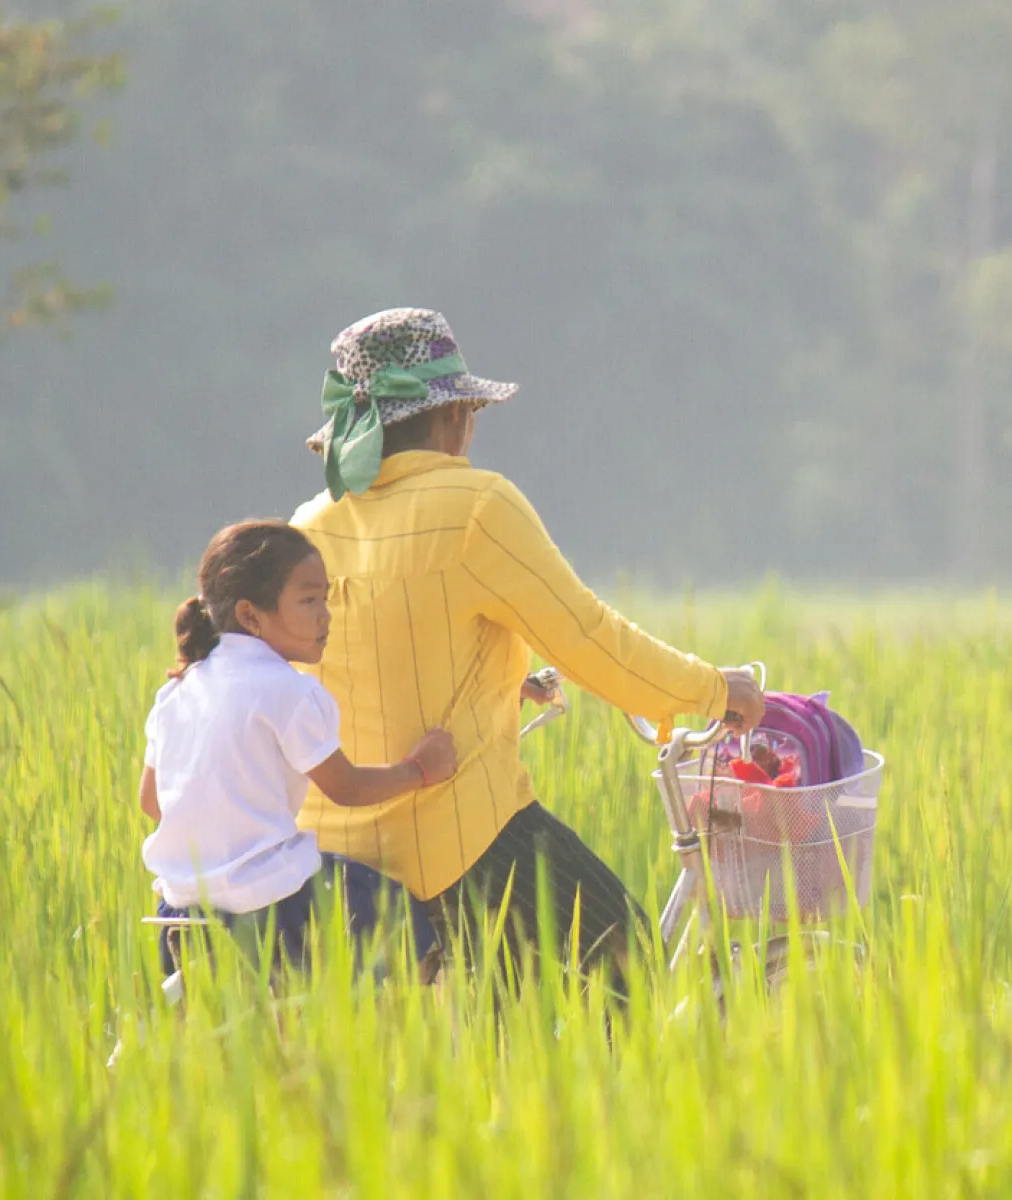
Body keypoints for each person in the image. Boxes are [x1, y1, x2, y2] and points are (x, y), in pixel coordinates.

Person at [288, 308, 763, 986]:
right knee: (629, 966)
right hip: (457, 841)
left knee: (501, 1011)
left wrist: (506, 685)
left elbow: (364, 663)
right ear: (454, 417)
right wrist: (715, 689)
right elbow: (590, 639)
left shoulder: (310, 522)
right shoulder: (477, 505)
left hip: (333, 850)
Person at [138, 519, 459, 976]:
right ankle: (386, 1035)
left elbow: (151, 802)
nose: (325, 616)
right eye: (309, 601)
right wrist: (421, 769)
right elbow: (346, 787)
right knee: (405, 926)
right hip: (277, 908)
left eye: (324, 600)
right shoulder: (289, 691)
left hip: (182, 917)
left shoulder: (176, 692)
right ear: (251, 615)